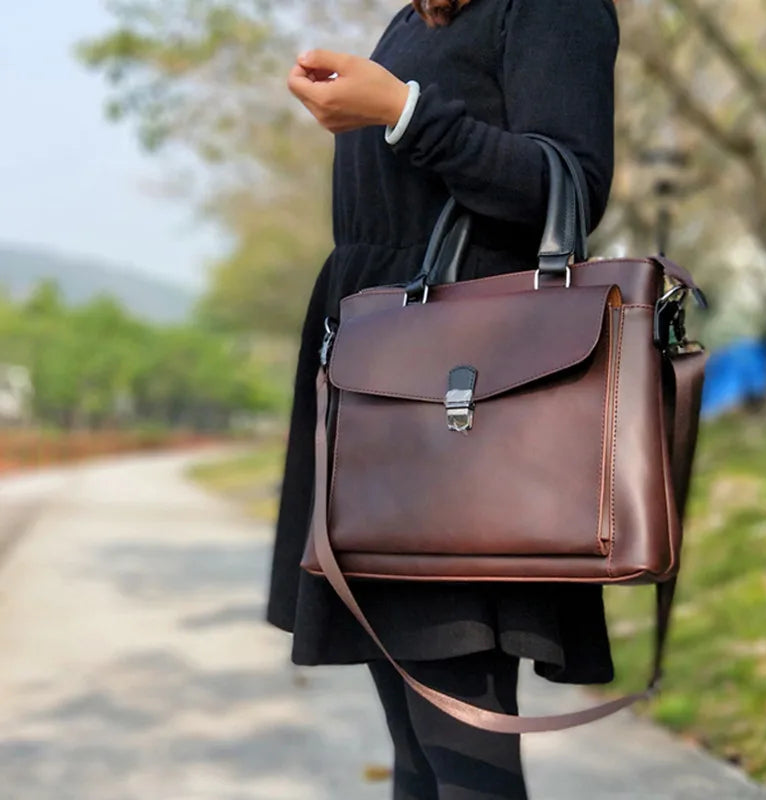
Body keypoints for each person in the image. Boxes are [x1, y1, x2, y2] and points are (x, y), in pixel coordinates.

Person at [267, 1, 621, 797]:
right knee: (419, 744)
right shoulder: (413, 18)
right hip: (378, 390)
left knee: (461, 735)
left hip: (458, 409)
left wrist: (403, 111)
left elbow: (563, 185)